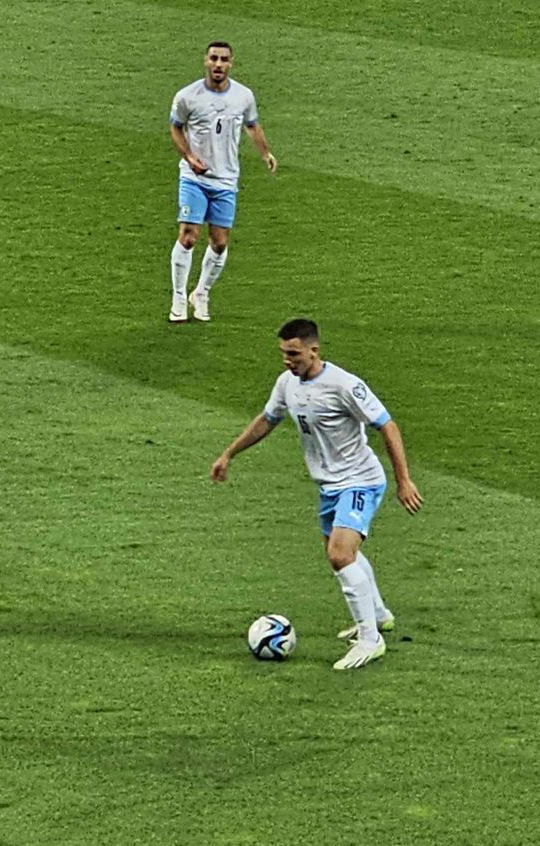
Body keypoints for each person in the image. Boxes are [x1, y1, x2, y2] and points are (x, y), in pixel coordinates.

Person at [209, 319, 423, 670]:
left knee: (340, 555)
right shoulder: (286, 384)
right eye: (283, 354)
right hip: (328, 485)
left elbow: (388, 425)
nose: (287, 360)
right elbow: (267, 419)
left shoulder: (344, 385)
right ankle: (379, 614)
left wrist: (404, 480)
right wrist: (229, 454)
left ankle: (371, 640)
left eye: (293, 354)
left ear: (313, 350)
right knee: (342, 554)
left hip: (360, 480)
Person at [168, 42, 276, 323]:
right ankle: (178, 297)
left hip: (226, 179)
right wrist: (189, 157)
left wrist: (265, 153)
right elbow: (175, 127)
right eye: (214, 58)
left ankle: (201, 293)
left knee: (219, 243)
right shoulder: (187, 96)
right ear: (205, 60)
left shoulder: (243, 96)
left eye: (224, 60)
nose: (218, 64)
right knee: (189, 235)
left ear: (231, 64)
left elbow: (252, 125)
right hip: (194, 178)